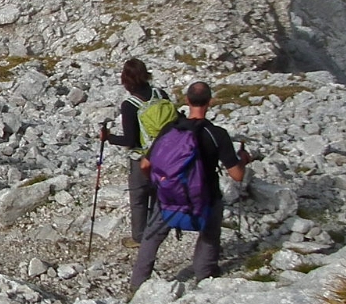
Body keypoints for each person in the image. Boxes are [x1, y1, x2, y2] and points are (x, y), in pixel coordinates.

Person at [129, 81, 250, 289]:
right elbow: (237, 175)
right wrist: (244, 160)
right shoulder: (217, 134)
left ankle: (137, 284)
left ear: (187, 100)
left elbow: (145, 164)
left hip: (170, 196)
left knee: (152, 237)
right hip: (205, 197)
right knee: (210, 234)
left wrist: (161, 184)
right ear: (210, 102)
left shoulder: (170, 129)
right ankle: (205, 275)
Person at [101, 58, 172, 245]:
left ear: (125, 79)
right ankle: (158, 229)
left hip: (142, 158)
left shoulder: (130, 105)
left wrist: (108, 137)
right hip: (166, 155)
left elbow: (130, 140)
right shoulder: (161, 94)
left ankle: (139, 237)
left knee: (139, 198)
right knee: (159, 195)